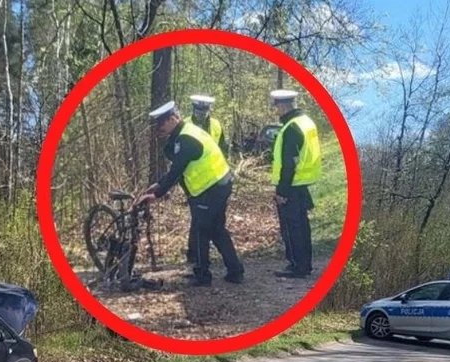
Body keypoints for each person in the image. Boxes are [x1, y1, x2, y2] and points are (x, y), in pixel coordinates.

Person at [137, 101, 244, 287]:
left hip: (211, 188)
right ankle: (235, 271)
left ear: (173, 119)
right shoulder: (186, 132)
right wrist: (158, 185)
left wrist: (158, 194)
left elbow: (177, 170)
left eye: (161, 124)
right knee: (217, 229)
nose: (159, 129)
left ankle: (202, 275)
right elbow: (176, 167)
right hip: (219, 183)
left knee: (201, 230)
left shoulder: (186, 138)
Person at [269, 89, 322, 279]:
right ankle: (305, 264)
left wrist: (281, 191)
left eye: (276, 107)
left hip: (291, 184)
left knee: (291, 228)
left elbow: (289, 163)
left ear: (283, 106)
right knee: (302, 226)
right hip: (302, 183)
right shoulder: (306, 122)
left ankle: (296, 265)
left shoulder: (291, 127)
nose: (276, 111)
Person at [183, 95, 229, 267]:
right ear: (194, 109)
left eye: (204, 110)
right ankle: (194, 254)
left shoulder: (216, 124)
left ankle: (206, 255)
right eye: (198, 110)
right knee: (197, 219)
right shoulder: (186, 124)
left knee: (216, 219)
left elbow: (223, 148)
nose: (202, 114)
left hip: (216, 179)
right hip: (194, 180)